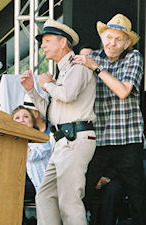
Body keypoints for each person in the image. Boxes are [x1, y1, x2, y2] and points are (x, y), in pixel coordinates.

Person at [20, 18, 96, 225]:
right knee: (44, 196)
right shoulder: (61, 71)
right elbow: (51, 113)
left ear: (63, 42)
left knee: (69, 201)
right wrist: (31, 90)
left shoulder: (78, 65)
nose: (42, 46)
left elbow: (68, 94)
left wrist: (47, 86)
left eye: (47, 40)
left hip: (75, 138)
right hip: (62, 140)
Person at [73, 14, 146, 225]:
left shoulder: (134, 57)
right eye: (108, 37)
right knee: (82, 191)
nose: (112, 43)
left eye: (118, 39)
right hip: (98, 140)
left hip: (128, 140)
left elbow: (123, 91)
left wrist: (96, 68)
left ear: (127, 43)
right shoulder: (93, 56)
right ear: (102, 36)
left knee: (138, 197)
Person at [11, 105, 51, 224]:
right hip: (16, 184)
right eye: (17, 118)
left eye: (25, 117)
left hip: (39, 186)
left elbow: (33, 155)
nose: (21, 120)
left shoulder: (42, 140)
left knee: (13, 188)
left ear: (33, 121)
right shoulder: (8, 142)